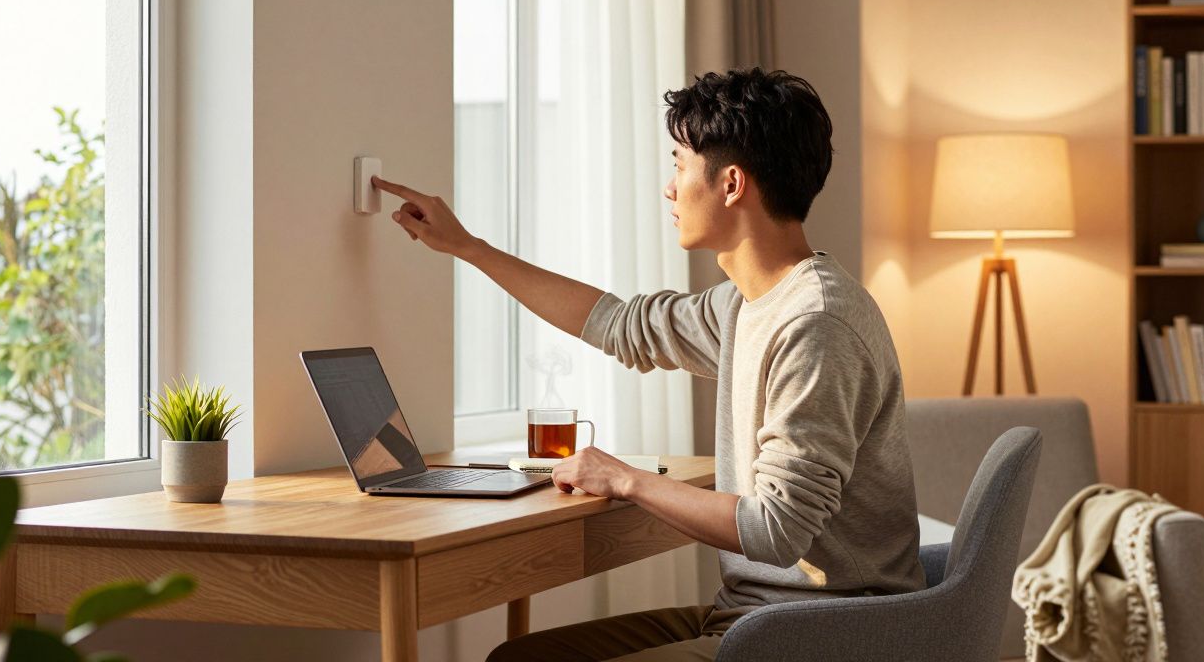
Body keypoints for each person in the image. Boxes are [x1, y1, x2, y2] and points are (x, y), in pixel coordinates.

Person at [372, 68, 925, 661]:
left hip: (824, 632)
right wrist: (467, 247)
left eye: (680, 164)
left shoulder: (815, 325)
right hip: (753, 613)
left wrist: (625, 479)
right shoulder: (751, 303)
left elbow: (775, 530)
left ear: (732, 183)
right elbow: (619, 323)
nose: (670, 188)